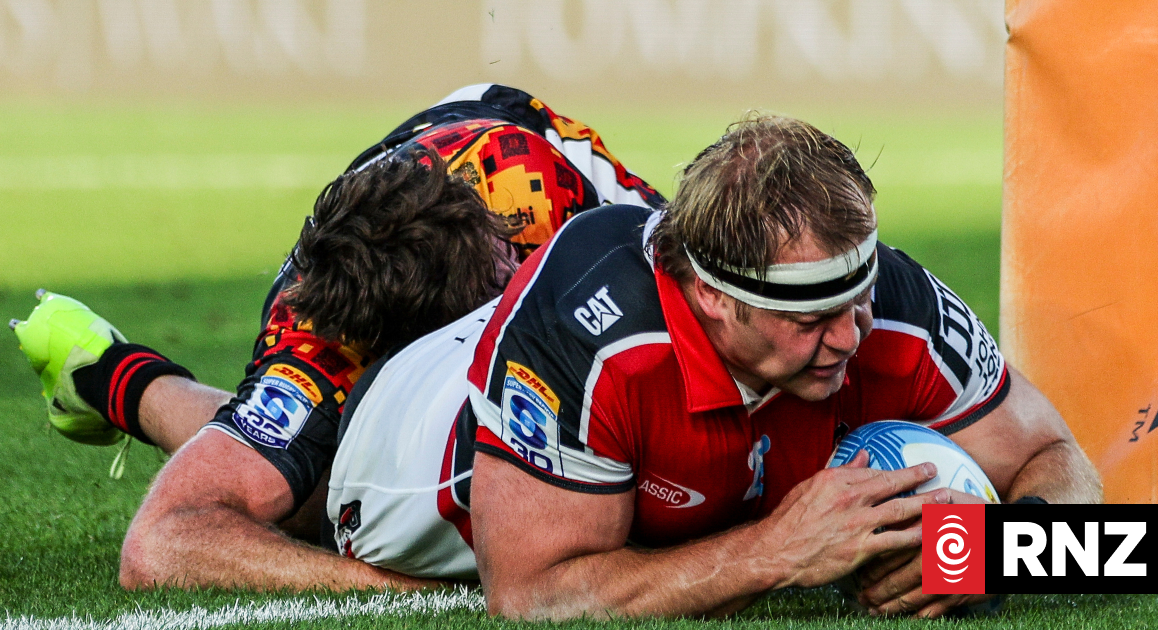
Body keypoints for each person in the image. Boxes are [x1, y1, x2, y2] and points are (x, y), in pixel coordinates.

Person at [321, 115, 1102, 619]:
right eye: (810, 321)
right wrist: (777, 550)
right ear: (712, 298)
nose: (849, 338)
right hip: (402, 448)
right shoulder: (592, 334)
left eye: (858, 299)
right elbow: (528, 596)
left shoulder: (889, 309)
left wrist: (992, 552)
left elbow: (1099, 529)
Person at [10, 84, 663, 591]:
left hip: (514, 142)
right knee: (318, 495)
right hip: (374, 275)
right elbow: (160, 545)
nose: (515, 276)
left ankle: (106, 370)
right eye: (501, 288)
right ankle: (104, 370)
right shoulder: (315, 338)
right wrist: (388, 587)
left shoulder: (562, 208)